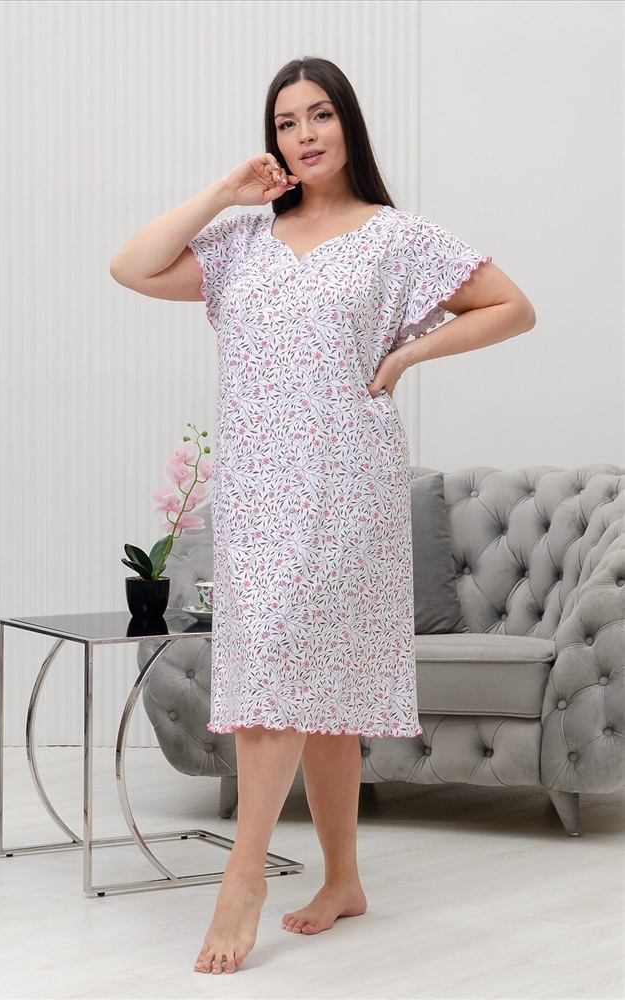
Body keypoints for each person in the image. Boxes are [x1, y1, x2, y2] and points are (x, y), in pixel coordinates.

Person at [110, 56, 536, 976]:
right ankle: (342, 879)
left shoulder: (395, 238)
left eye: (319, 115)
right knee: (319, 686)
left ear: (348, 123)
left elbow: (512, 306)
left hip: (346, 481)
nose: (303, 135)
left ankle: (243, 879)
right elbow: (131, 267)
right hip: (258, 490)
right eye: (285, 121)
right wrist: (225, 192)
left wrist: (408, 354)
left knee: (282, 665)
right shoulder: (242, 240)